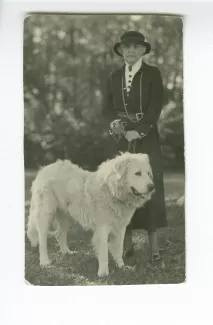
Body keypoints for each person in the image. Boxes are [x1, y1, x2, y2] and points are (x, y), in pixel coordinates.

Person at [103, 31, 167, 262]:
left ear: (142, 50)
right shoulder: (114, 76)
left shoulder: (152, 74)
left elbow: (155, 106)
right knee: (123, 186)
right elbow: (107, 107)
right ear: (120, 51)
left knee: (149, 184)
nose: (130, 50)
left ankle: (155, 248)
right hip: (121, 138)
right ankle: (126, 245)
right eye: (126, 47)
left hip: (146, 135)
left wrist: (139, 130)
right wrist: (115, 124)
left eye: (135, 47)